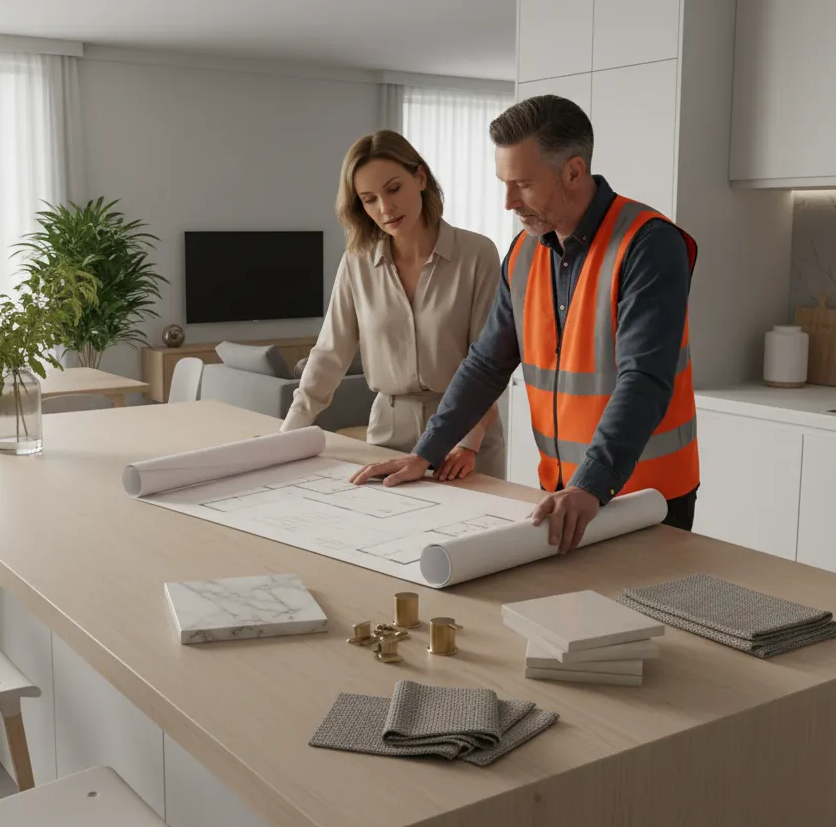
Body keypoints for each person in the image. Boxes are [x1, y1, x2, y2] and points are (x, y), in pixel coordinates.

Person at [351, 95, 699, 550]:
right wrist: (425, 453)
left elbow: (644, 379)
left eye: (523, 185)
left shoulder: (649, 244)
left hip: (648, 498)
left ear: (574, 171)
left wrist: (591, 484)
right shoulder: (523, 252)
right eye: (504, 183)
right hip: (563, 493)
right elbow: (485, 365)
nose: (508, 202)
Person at [281, 130, 504, 479]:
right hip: (387, 431)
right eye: (369, 199)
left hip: (465, 434)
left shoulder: (477, 255)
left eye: (393, 189)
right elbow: (329, 355)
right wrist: (287, 436)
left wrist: (470, 442)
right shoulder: (357, 263)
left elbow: (489, 362)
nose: (385, 208)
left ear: (420, 177)